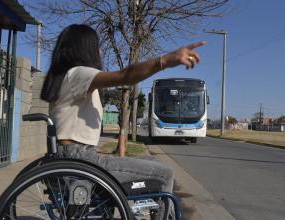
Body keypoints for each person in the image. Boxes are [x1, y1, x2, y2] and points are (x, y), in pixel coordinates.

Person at [40, 24, 205, 219]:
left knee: (152, 162)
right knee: (164, 174)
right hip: (81, 159)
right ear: (85, 49)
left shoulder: (64, 77)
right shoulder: (78, 73)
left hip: (73, 156)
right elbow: (125, 76)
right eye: (97, 46)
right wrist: (166, 60)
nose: (100, 51)